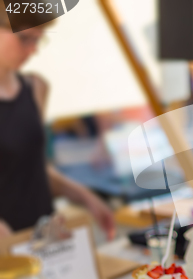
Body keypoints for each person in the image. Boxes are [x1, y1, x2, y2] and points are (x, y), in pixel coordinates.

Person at [0, 6, 115, 240]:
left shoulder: (35, 88)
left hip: (44, 237)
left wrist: (86, 197)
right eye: (24, 38)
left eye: (38, 40)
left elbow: (35, 168)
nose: (32, 50)